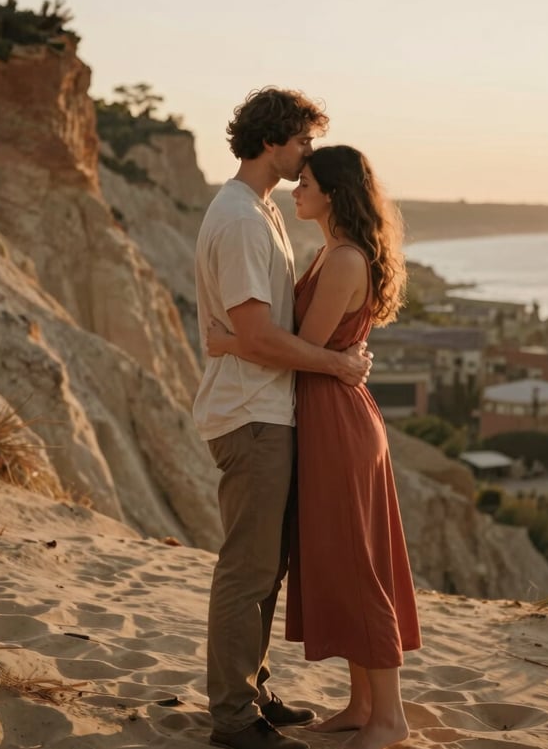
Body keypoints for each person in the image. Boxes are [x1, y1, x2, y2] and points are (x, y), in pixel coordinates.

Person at [208, 144, 421, 749]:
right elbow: (323, 353)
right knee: (346, 563)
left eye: (305, 183)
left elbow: (305, 346)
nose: (295, 190)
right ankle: (361, 706)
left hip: (339, 424)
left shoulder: (346, 259)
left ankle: (390, 718)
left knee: (360, 568)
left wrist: (230, 343)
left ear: (331, 192)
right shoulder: (333, 250)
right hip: (326, 417)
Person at [193, 89, 372, 749]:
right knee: (248, 567)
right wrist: (339, 366)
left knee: (265, 566)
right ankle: (233, 717)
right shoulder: (241, 218)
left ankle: (254, 690)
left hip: (269, 410)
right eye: (302, 141)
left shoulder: (259, 210)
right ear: (273, 140)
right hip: (251, 415)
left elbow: (252, 332)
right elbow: (259, 336)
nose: (307, 155)